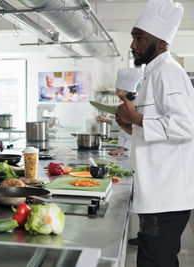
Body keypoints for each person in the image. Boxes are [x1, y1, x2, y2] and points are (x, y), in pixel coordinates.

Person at [115, 1, 194, 266]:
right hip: (157, 192)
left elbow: (185, 126)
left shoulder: (168, 73)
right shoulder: (153, 73)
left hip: (166, 195)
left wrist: (135, 117)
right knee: (153, 258)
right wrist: (129, 123)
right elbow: (157, 126)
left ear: (161, 43)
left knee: (155, 261)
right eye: (133, 37)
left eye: (140, 38)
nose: (133, 44)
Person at [97, 68, 143, 156]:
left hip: (135, 150)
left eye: (118, 90)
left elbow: (134, 130)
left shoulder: (138, 105)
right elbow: (123, 126)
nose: (116, 93)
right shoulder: (128, 103)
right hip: (129, 150)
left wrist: (122, 147)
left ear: (127, 91)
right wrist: (120, 147)